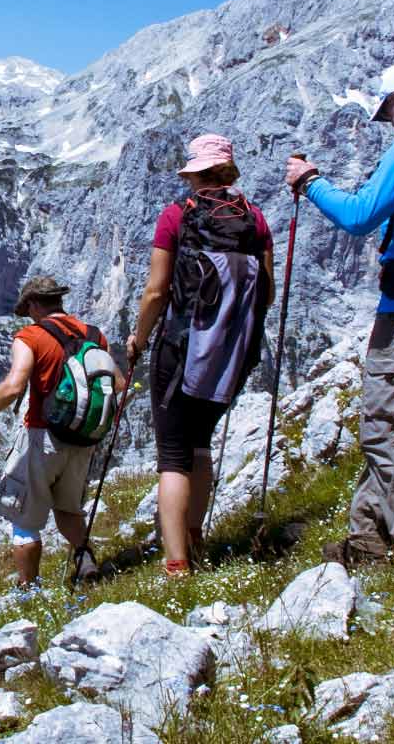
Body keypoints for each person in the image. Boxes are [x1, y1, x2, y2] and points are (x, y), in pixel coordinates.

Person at [284, 59, 394, 568]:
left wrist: (310, 180)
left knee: (390, 429)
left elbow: (359, 215)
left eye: (389, 113)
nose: (391, 123)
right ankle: (368, 540)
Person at [125, 133, 275, 576]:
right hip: (231, 353)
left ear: (194, 175)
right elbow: (265, 291)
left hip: (181, 348)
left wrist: (138, 338)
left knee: (172, 456)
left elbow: (156, 291)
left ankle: (176, 564)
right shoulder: (255, 219)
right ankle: (196, 536)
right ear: (227, 173)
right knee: (201, 446)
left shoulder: (176, 217)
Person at [0, 275, 125, 588]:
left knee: (25, 520)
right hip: (83, 439)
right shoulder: (95, 335)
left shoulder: (31, 336)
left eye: (28, 308)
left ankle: (28, 591)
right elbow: (118, 384)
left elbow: (13, 386)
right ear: (58, 300)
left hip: (42, 437)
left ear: (34, 304)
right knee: (68, 508)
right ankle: (84, 558)